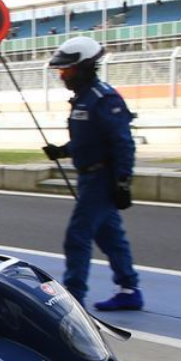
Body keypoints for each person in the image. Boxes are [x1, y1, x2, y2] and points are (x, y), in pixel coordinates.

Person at [42, 35, 141, 311]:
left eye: (67, 69)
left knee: (78, 235)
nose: (62, 75)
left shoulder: (104, 99)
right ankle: (129, 288)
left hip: (102, 178)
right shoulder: (82, 100)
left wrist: (122, 182)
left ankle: (72, 299)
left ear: (85, 67)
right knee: (109, 236)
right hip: (88, 177)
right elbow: (87, 141)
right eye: (60, 70)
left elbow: (122, 143)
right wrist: (61, 151)